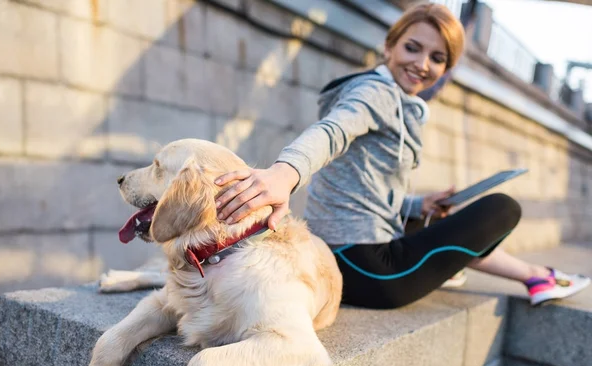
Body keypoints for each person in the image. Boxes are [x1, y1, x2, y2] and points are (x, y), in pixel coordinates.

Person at [212, 3, 589, 308]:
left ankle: (536, 276)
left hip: (339, 256)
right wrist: (284, 173)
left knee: (432, 219)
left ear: (446, 68)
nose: (423, 64)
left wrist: (416, 203)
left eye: (437, 57)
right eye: (413, 47)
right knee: (503, 208)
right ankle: (526, 274)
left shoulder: (397, 101)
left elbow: (365, 190)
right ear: (389, 47)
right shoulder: (376, 93)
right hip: (368, 270)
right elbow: (332, 132)